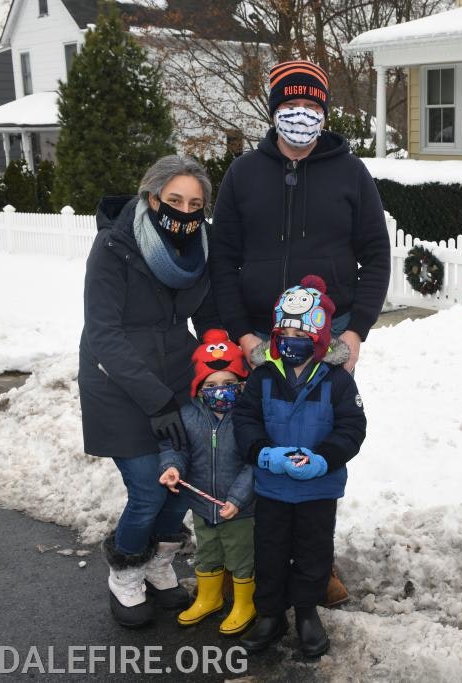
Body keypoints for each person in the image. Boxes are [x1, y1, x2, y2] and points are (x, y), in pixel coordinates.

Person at [210, 59, 389, 606]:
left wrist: (357, 329)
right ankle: (264, 566)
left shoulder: (350, 172)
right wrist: (241, 333)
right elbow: (223, 260)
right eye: (291, 107)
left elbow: (376, 255)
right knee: (260, 440)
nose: (301, 117)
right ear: (274, 111)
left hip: (326, 330)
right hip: (263, 333)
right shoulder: (243, 173)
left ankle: (316, 566)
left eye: (312, 107)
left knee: (317, 440)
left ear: (325, 113)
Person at [78, 155, 218, 627]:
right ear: (151, 197)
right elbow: (103, 334)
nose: (184, 211)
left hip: (176, 379)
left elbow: (207, 317)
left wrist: (224, 363)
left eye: (195, 203)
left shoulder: (199, 249)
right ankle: (125, 573)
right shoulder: (113, 246)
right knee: (147, 489)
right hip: (117, 383)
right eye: (175, 200)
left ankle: (158, 565)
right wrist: (156, 400)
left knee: (184, 483)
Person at [232, 275, 366, 658]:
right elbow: (245, 420)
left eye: (300, 331)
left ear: (320, 337)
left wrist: (324, 458)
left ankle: (307, 612)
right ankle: (270, 614)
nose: (291, 338)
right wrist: (262, 453)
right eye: (285, 329)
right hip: (272, 487)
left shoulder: (337, 380)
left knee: (313, 552)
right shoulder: (263, 376)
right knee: (270, 550)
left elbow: (352, 427)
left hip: (317, 489)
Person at [158, 329, 256, 634]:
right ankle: (210, 597)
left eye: (228, 384)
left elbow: (256, 461)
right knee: (208, 551)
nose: (220, 391)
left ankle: (244, 603)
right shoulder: (188, 414)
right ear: (199, 388)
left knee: (241, 555)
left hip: (240, 508)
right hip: (203, 505)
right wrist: (172, 466)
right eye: (211, 385)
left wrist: (239, 499)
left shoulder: (249, 417)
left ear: (241, 384)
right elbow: (177, 447)